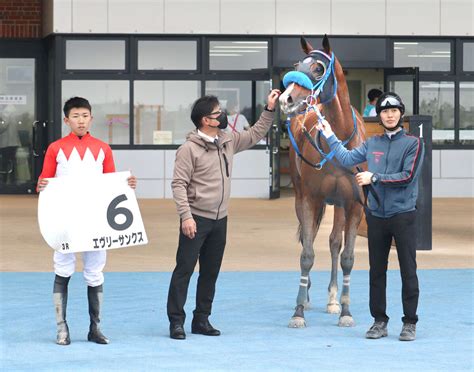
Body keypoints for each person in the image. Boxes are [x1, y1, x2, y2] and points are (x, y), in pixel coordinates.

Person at [167, 89, 280, 340]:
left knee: (210, 271)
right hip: (195, 219)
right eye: (219, 112)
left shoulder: (227, 140)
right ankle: (176, 321)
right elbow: (178, 184)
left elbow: (254, 134)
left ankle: (202, 319)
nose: (224, 115)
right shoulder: (188, 149)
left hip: (220, 220)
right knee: (184, 270)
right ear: (206, 120)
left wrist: (270, 109)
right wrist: (186, 216)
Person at [316, 92, 424, 342]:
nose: (389, 115)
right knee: (377, 271)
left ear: (401, 114)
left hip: (403, 215)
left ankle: (410, 322)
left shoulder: (413, 144)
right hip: (377, 215)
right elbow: (345, 158)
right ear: (380, 115)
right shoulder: (372, 143)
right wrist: (329, 134)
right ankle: (379, 321)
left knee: (408, 270)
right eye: (385, 111)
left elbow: (407, 176)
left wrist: (374, 178)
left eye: (394, 111)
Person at [37, 97, 137, 346]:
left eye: (84, 115)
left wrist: (127, 185)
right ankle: (62, 328)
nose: (80, 121)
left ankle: (96, 327)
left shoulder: (103, 148)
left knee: (94, 272)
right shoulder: (55, 148)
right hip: (65, 220)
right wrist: (40, 185)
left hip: (95, 220)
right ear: (66, 120)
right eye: (75, 116)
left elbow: (112, 184)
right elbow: (44, 181)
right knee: (62, 269)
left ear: (91, 118)